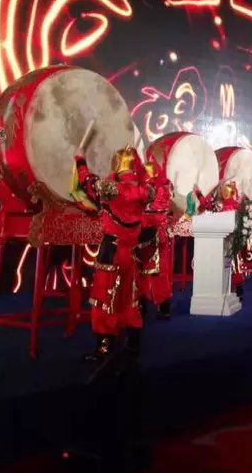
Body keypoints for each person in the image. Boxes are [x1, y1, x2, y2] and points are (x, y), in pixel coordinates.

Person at [75, 145, 151, 364]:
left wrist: (80, 160)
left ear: (116, 162)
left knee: (105, 296)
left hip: (112, 251)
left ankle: (105, 344)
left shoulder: (110, 187)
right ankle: (133, 342)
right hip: (133, 252)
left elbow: (87, 181)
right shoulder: (144, 190)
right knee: (131, 296)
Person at [135, 161, 174, 320]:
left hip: (152, 234)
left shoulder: (159, 187)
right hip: (147, 234)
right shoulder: (155, 186)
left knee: (154, 271)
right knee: (149, 271)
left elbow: (158, 208)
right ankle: (152, 305)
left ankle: (155, 305)